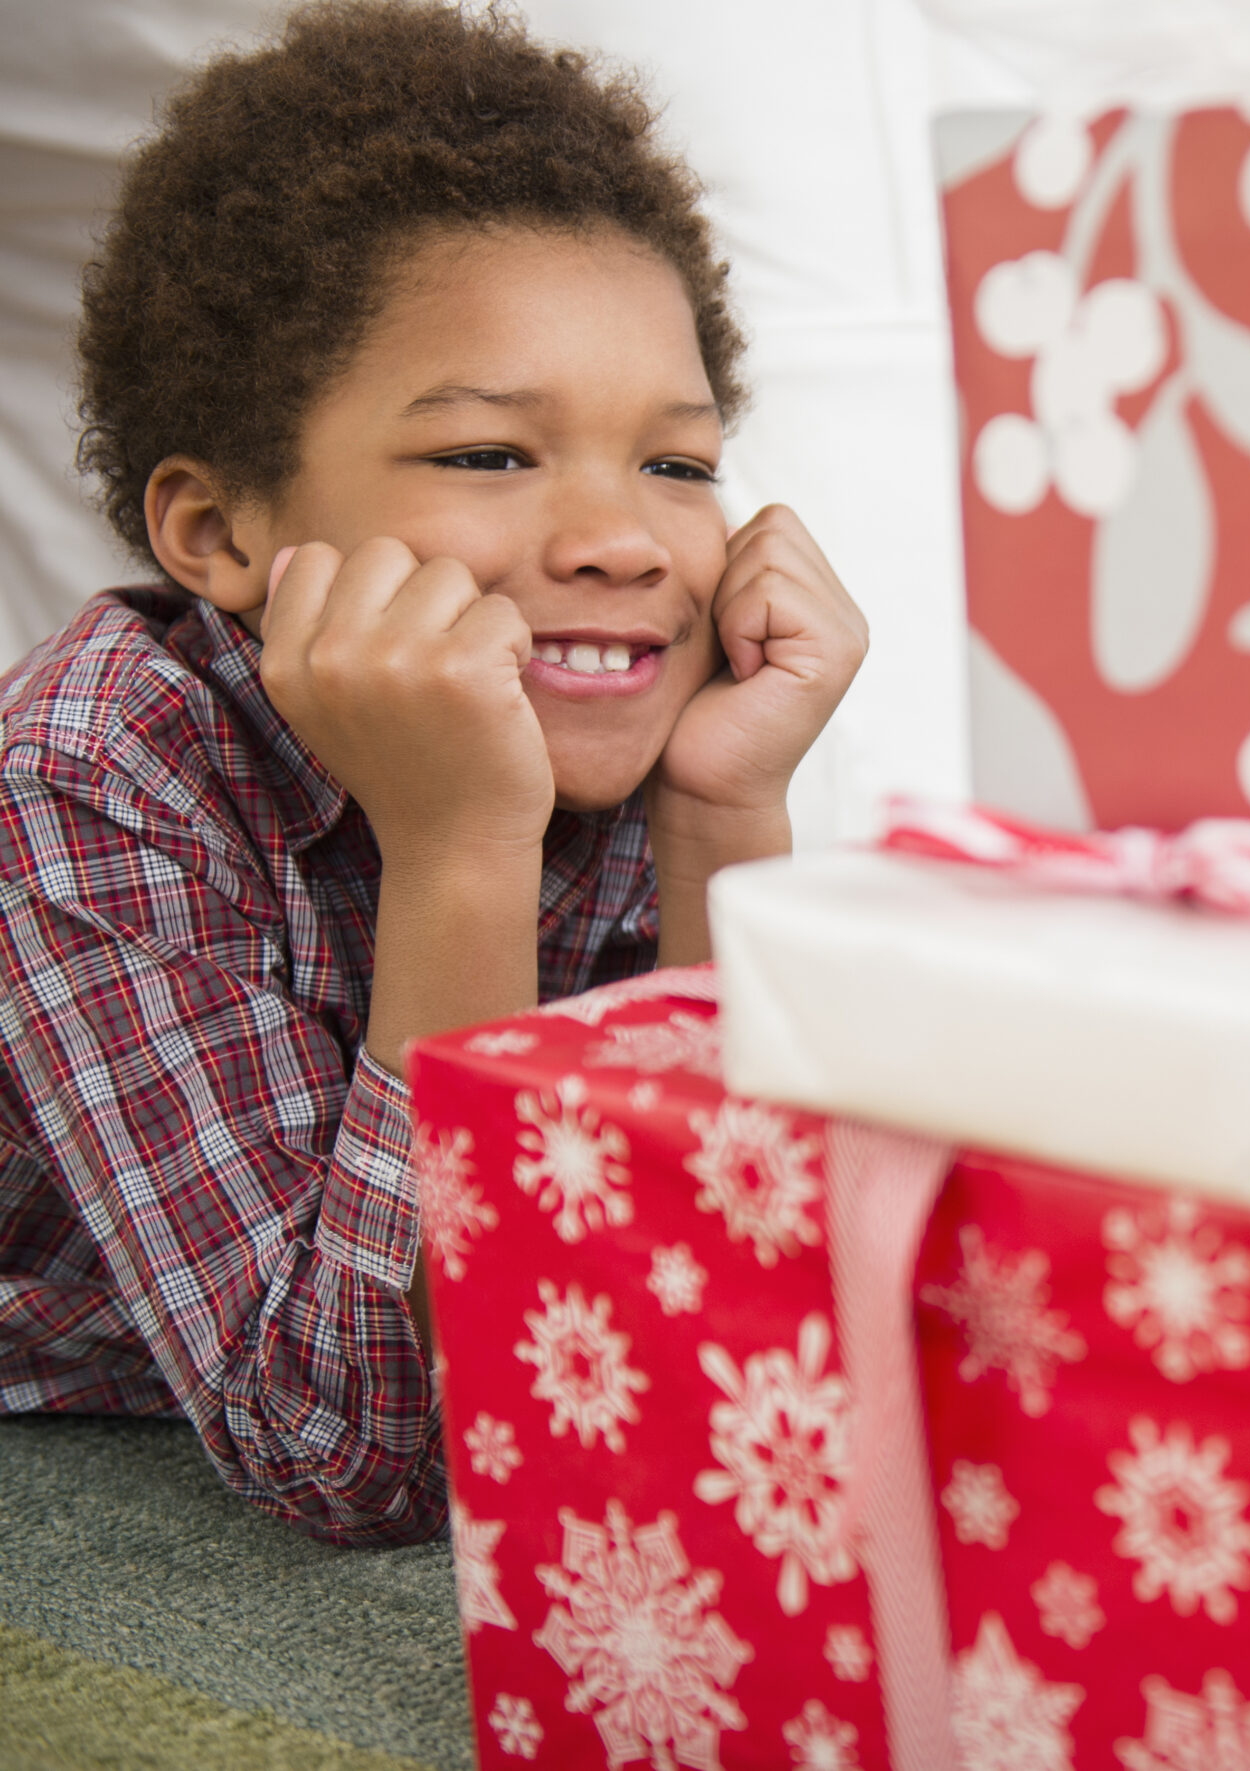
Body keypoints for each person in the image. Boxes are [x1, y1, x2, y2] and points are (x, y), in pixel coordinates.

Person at [0, 0, 867, 1545]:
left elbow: (731, 1297)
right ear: (222, 536)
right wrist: (462, 848)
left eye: (676, 465)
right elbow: (359, 1454)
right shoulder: (88, 776)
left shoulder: (638, 742)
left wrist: (727, 817)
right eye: (489, 455)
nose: (618, 537)